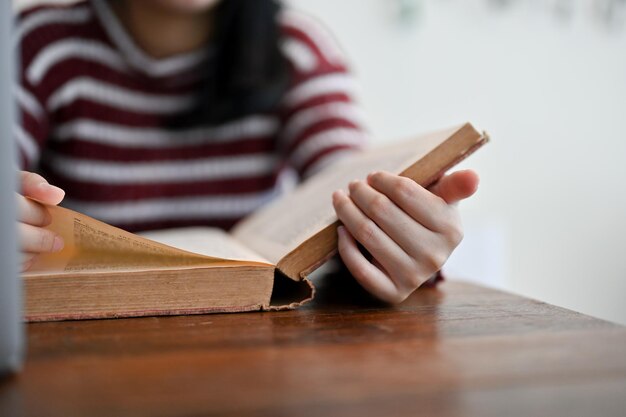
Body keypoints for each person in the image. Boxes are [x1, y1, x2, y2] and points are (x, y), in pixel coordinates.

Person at [15, 0, 479, 304]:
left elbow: (342, 174)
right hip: (84, 336)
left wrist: (398, 235)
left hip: (259, 343)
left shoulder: (294, 47)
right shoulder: (35, 45)